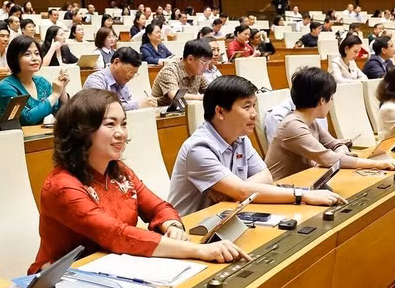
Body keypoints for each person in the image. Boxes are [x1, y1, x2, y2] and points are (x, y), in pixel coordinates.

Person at [29, 89, 249, 274]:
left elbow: (159, 207)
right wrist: (199, 251)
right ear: (81, 131)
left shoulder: (119, 172)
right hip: (63, 279)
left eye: (123, 124)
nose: (121, 133)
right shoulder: (62, 186)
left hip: (115, 268)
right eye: (110, 124)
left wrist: (172, 226)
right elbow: (115, 235)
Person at [168, 75, 345, 216]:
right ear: (220, 111)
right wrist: (302, 194)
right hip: (192, 228)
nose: (254, 114)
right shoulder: (198, 148)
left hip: (230, 216)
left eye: (254, 106)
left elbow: (266, 176)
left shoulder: (241, 138)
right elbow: (242, 191)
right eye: (246, 107)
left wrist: (235, 190)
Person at [265, 67, 395, 180]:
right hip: (282, 187)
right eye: (331, 98)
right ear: (321, 101)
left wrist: (339, 153)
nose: (332, 103)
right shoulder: (293, 125)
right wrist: (377, 164)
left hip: (305, 181)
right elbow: (328, 158)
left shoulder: (311, 122)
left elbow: (336, 145)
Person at [0, 36, 69, 126]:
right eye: (27, 54)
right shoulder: (6, 87)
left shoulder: (42, 82)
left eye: (37, 53)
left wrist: (62, 90)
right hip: (18, 138)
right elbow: (26, 118)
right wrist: (55, 94)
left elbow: (60, 112)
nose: (35, 58)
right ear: (14, 58)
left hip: (43, 136)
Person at [83, 47, 156, 111]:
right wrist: (138, 104)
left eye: (134, 73)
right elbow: (103, 108)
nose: (131, 76)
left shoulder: (122, 82)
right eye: (130, 71)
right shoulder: (96, 81)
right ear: (116, 62)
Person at [151, 39, 213, 106]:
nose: (206, 67)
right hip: (160, 113)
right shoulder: (169, 70)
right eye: (204, 63)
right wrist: (202, 97)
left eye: (208, 63)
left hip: (186, 112)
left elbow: (211, 92)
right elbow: (175, 96)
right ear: (190, 59)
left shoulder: (198, 74)